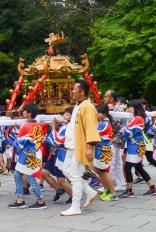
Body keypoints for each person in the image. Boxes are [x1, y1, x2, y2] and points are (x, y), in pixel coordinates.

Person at [60, 79, 101, 216]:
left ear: (81, 92)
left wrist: (89, 148)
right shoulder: (78, 105)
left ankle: (75, 207)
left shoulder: (88, 107)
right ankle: (89, 192)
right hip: (72, 145)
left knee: (76, 176)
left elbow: (91, 128)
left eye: (74, 89)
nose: (72, 91)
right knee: (66, 170)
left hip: (81, 146)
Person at [8, 103, 48, 210]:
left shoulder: (26, 125)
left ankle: (40, 201)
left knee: (29, 177)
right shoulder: (38, 125)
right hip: (35, 152)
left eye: (24, 111)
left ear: (29, 113)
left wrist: (14, 141)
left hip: (27, 154)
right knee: (18, 174)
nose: (22, 112)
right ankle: (20, 199)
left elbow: (20, 142)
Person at [119, 100, 156, 198]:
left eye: (131, 107)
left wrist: (123, 132)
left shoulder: (137, 118)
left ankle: (129, 190)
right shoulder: (139, 117)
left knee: (128, 167)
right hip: (137, 145)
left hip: (135, 146)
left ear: (135, 108)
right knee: (138, 168)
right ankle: (152, 187)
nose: (129, 109)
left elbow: (129, 131)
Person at [93, 104, 117, 201]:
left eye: (97, 113)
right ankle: (107, 190)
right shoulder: (102, 122)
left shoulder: (105, 124)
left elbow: (94, 133)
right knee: (99, 171)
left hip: (104, 149)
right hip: (100, 149)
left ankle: (113, 193)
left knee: (105, 172)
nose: (96, 115)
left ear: (103, 114)